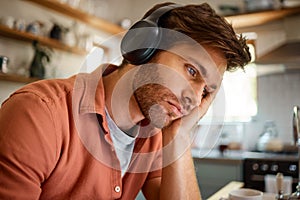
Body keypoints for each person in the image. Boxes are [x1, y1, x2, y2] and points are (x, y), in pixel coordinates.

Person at [0, 2, 251, 200]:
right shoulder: (38, 114)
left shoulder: (152, 135)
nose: (194, 98)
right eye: (192, 71)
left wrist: (180, 135)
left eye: (206, 91)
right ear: (143, 47)